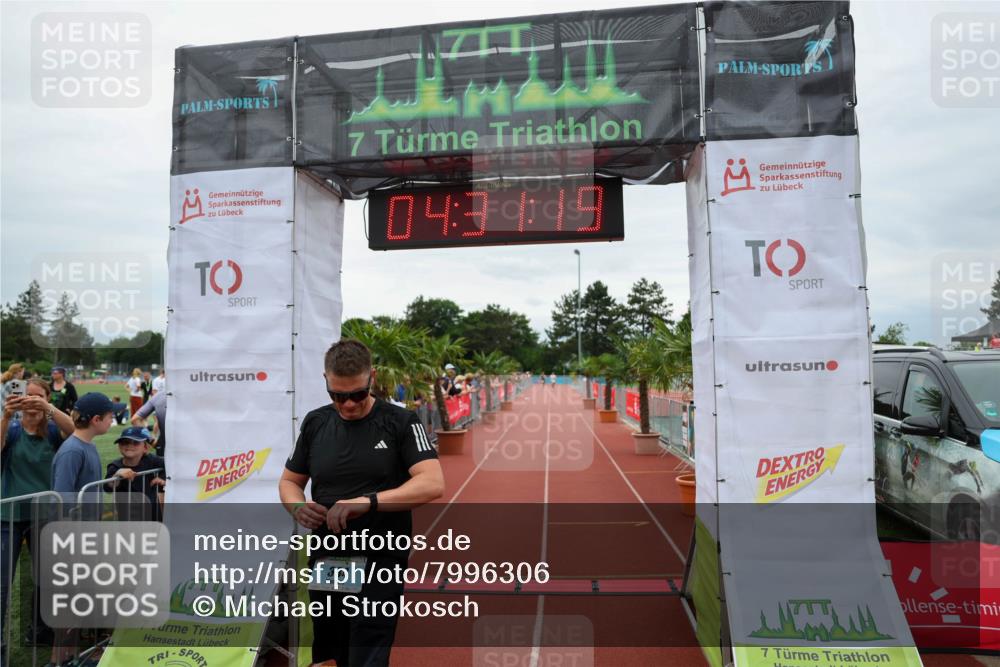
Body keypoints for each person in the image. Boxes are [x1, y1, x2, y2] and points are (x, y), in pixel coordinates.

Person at [279, 339, 444, 667]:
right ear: (325, 380)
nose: (349, 404)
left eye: (357, 394)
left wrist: (367, 502)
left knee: (367, 651)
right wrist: (297, 506)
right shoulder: (316, 423)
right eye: (338, 396)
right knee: (329, 650)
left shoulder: (401, 422)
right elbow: (289, 481)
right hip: (329, 558)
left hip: (380, 559)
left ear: (373, 378)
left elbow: (432, 482)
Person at [0, 378, 73, 645]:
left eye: (37, 396)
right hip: (8, 516)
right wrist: (6, 415)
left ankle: (40, 631)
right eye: (26, 395)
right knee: (2, 581)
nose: (30, 400)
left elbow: (74, 429)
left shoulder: (53, 431)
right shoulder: (13, 429)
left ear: (46, 399)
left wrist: (48, 409)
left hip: (44, 516)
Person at [52, 393, 113, 496]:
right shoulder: (72, 451)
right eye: (110, 417)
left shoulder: (89, 445)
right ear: (96, 420)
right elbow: (62, 498)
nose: (111, 421)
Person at [104, 427, 165, 521]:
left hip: (153, 514)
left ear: (145, 448)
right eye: (124, 442)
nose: (129, 445)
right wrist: (117, 476)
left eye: (135, 442)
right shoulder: (115, 466)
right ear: (119, 446)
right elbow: (107, 487)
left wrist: (162, 478)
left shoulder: (151, 460)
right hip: (128, 517)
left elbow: (169, 465)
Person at [132, 390, 167, 456]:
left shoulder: (159, 395)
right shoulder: (191, 395)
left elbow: (135, 420)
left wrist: (151, 440)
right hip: (190, 444)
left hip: (164, 444)